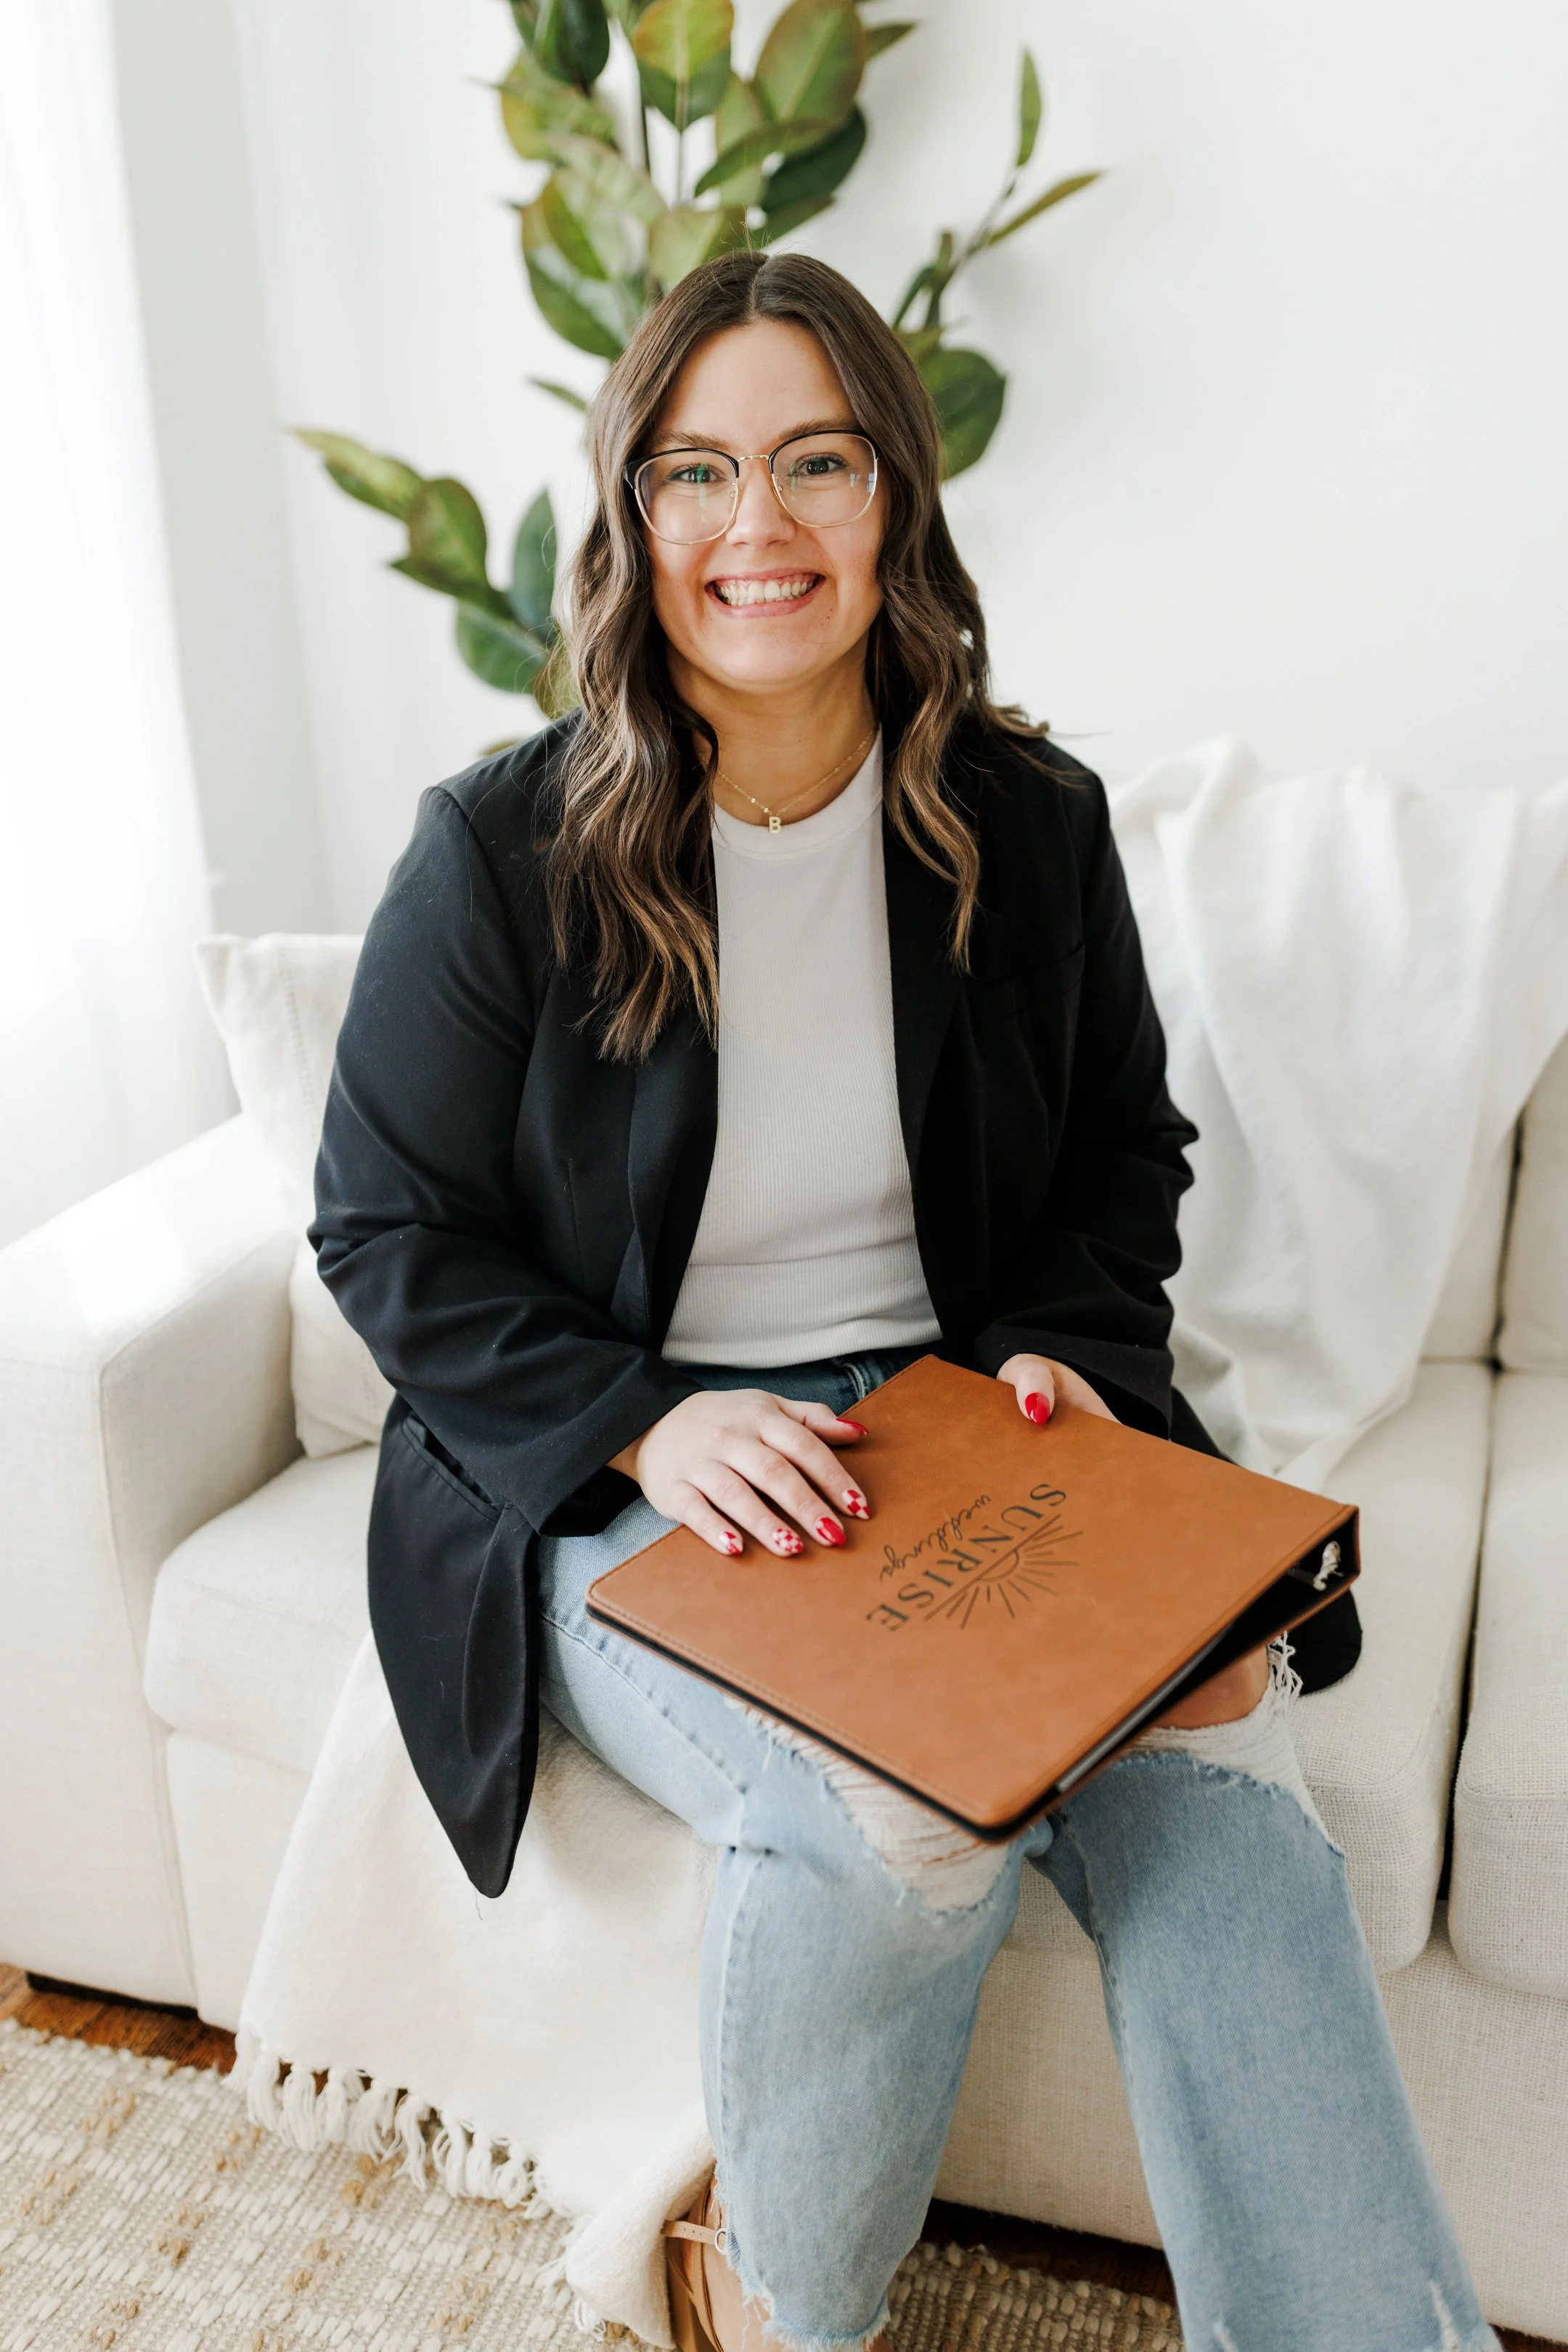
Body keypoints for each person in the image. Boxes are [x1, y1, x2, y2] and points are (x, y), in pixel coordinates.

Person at [311, 251, 1496, 2352]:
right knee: (891, 1826)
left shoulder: (1028, 827)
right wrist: (648, 1417)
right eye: (693, 472)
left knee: (1238, 1812)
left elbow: (1126, 1159)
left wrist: (1062, 1352)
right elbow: (384, 1227)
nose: (754, 528)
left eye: (813, 461)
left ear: (896, 499)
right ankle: (777, 2310)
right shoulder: (498, 854)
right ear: (629, 516)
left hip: (973, 1439)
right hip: (629, 1467)